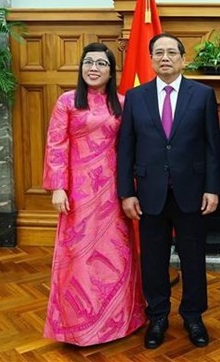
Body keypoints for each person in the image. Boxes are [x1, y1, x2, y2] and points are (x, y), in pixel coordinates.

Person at [117, 32, 220, 349]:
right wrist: (127, 192)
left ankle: (193, 316)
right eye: (158, 53)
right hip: (149, 193)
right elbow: (126, 149)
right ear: (150, 59)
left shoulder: (202, 95)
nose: (165, 58)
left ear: (182, 58)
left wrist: (213, 189)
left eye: (171, 53)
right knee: (153, 259)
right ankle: (158, 316)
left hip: (192, 191)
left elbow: (212, 147)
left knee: (193, 258)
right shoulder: (135, 97)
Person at [42, 42, 146, 346]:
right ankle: (77, 325)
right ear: (81, 67)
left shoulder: (123, 104)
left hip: (113, 191)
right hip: (78, 192)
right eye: (89, 62)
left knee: (116, 253)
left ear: (111, 72)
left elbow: (132, 148)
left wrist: (132, 189)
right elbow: (56, 144)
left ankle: (119, 320)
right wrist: (58, 187)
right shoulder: (67, 101)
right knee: (79, 255)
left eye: (101, 64)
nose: (94, 68)